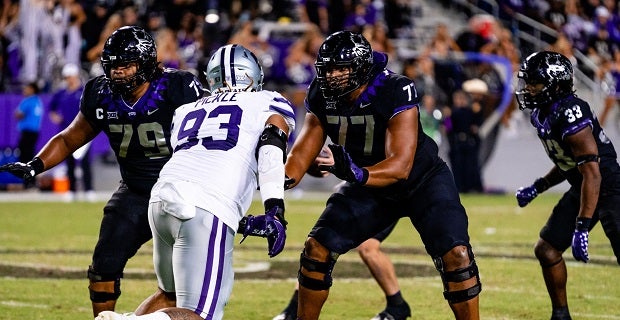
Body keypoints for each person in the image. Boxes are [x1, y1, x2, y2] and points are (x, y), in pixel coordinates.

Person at [0, 26, 204, 317]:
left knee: (185, 288)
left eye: (125, 65)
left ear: (145, 63)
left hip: (184, 192)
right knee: (103, 266)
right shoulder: (99, 93)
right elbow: (70, 137)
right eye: (112, 66)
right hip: (136, 191)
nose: (118, 73)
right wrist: (35, 164)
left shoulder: (178, 87)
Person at [283, 30, 481, 320]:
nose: (332, 75)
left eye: (341, 68)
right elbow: (298, 159)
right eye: (328, 68)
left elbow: (400, 165)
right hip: (366, 183)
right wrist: (271, 194)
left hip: (421, 180)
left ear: (362, 68)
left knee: (457, 255)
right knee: (316, 248)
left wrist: (354, 172)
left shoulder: (394, 88)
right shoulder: (321, 94)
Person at [94, 44, 296, 320]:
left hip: (162, 200)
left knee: (169, 294)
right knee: (200, 315)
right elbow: (271, 149)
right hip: (204, 206)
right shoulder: (267, 101)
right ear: (252, 75)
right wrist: (275, 210)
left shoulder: (187, 110)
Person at [514, 51, 620, 320]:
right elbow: (568, 163)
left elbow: (593, 173)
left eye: (535, 83)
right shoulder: (542, 113)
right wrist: (539, 186)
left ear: (555, 84)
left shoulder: (571, 112)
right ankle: (560, 315)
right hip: (583, 185)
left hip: (608, 187)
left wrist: (582, 228)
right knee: (547, 249)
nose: (528, 88)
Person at [274, 146, 411, 320]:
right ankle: (294, 308)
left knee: (367, 248)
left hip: (389, 188)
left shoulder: (389, 124)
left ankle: (397, 305)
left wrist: (355, 172)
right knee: (318, 244)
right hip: (363, 185)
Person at [48, 63, 94, 201]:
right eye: (67, 77)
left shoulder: (84, 91)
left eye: (71, 76)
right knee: (69, 163)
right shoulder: (61, 93)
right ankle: (72, 190)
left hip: (83, 132)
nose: (69, 79)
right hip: (67, 132)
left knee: (85, 162)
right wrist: (55, 117)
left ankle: (89, 190)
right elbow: (51, 108)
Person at [14, 81, 43, 165]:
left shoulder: (28, 101)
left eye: (27, 88)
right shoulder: (38, 101)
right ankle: (31, 175)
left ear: (32, 89)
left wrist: (17, 114)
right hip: (35, 133)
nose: (25, 90)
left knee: (24, 156)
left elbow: (19, 114)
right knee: (30, 154)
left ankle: (26, 176)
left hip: (27, 133)